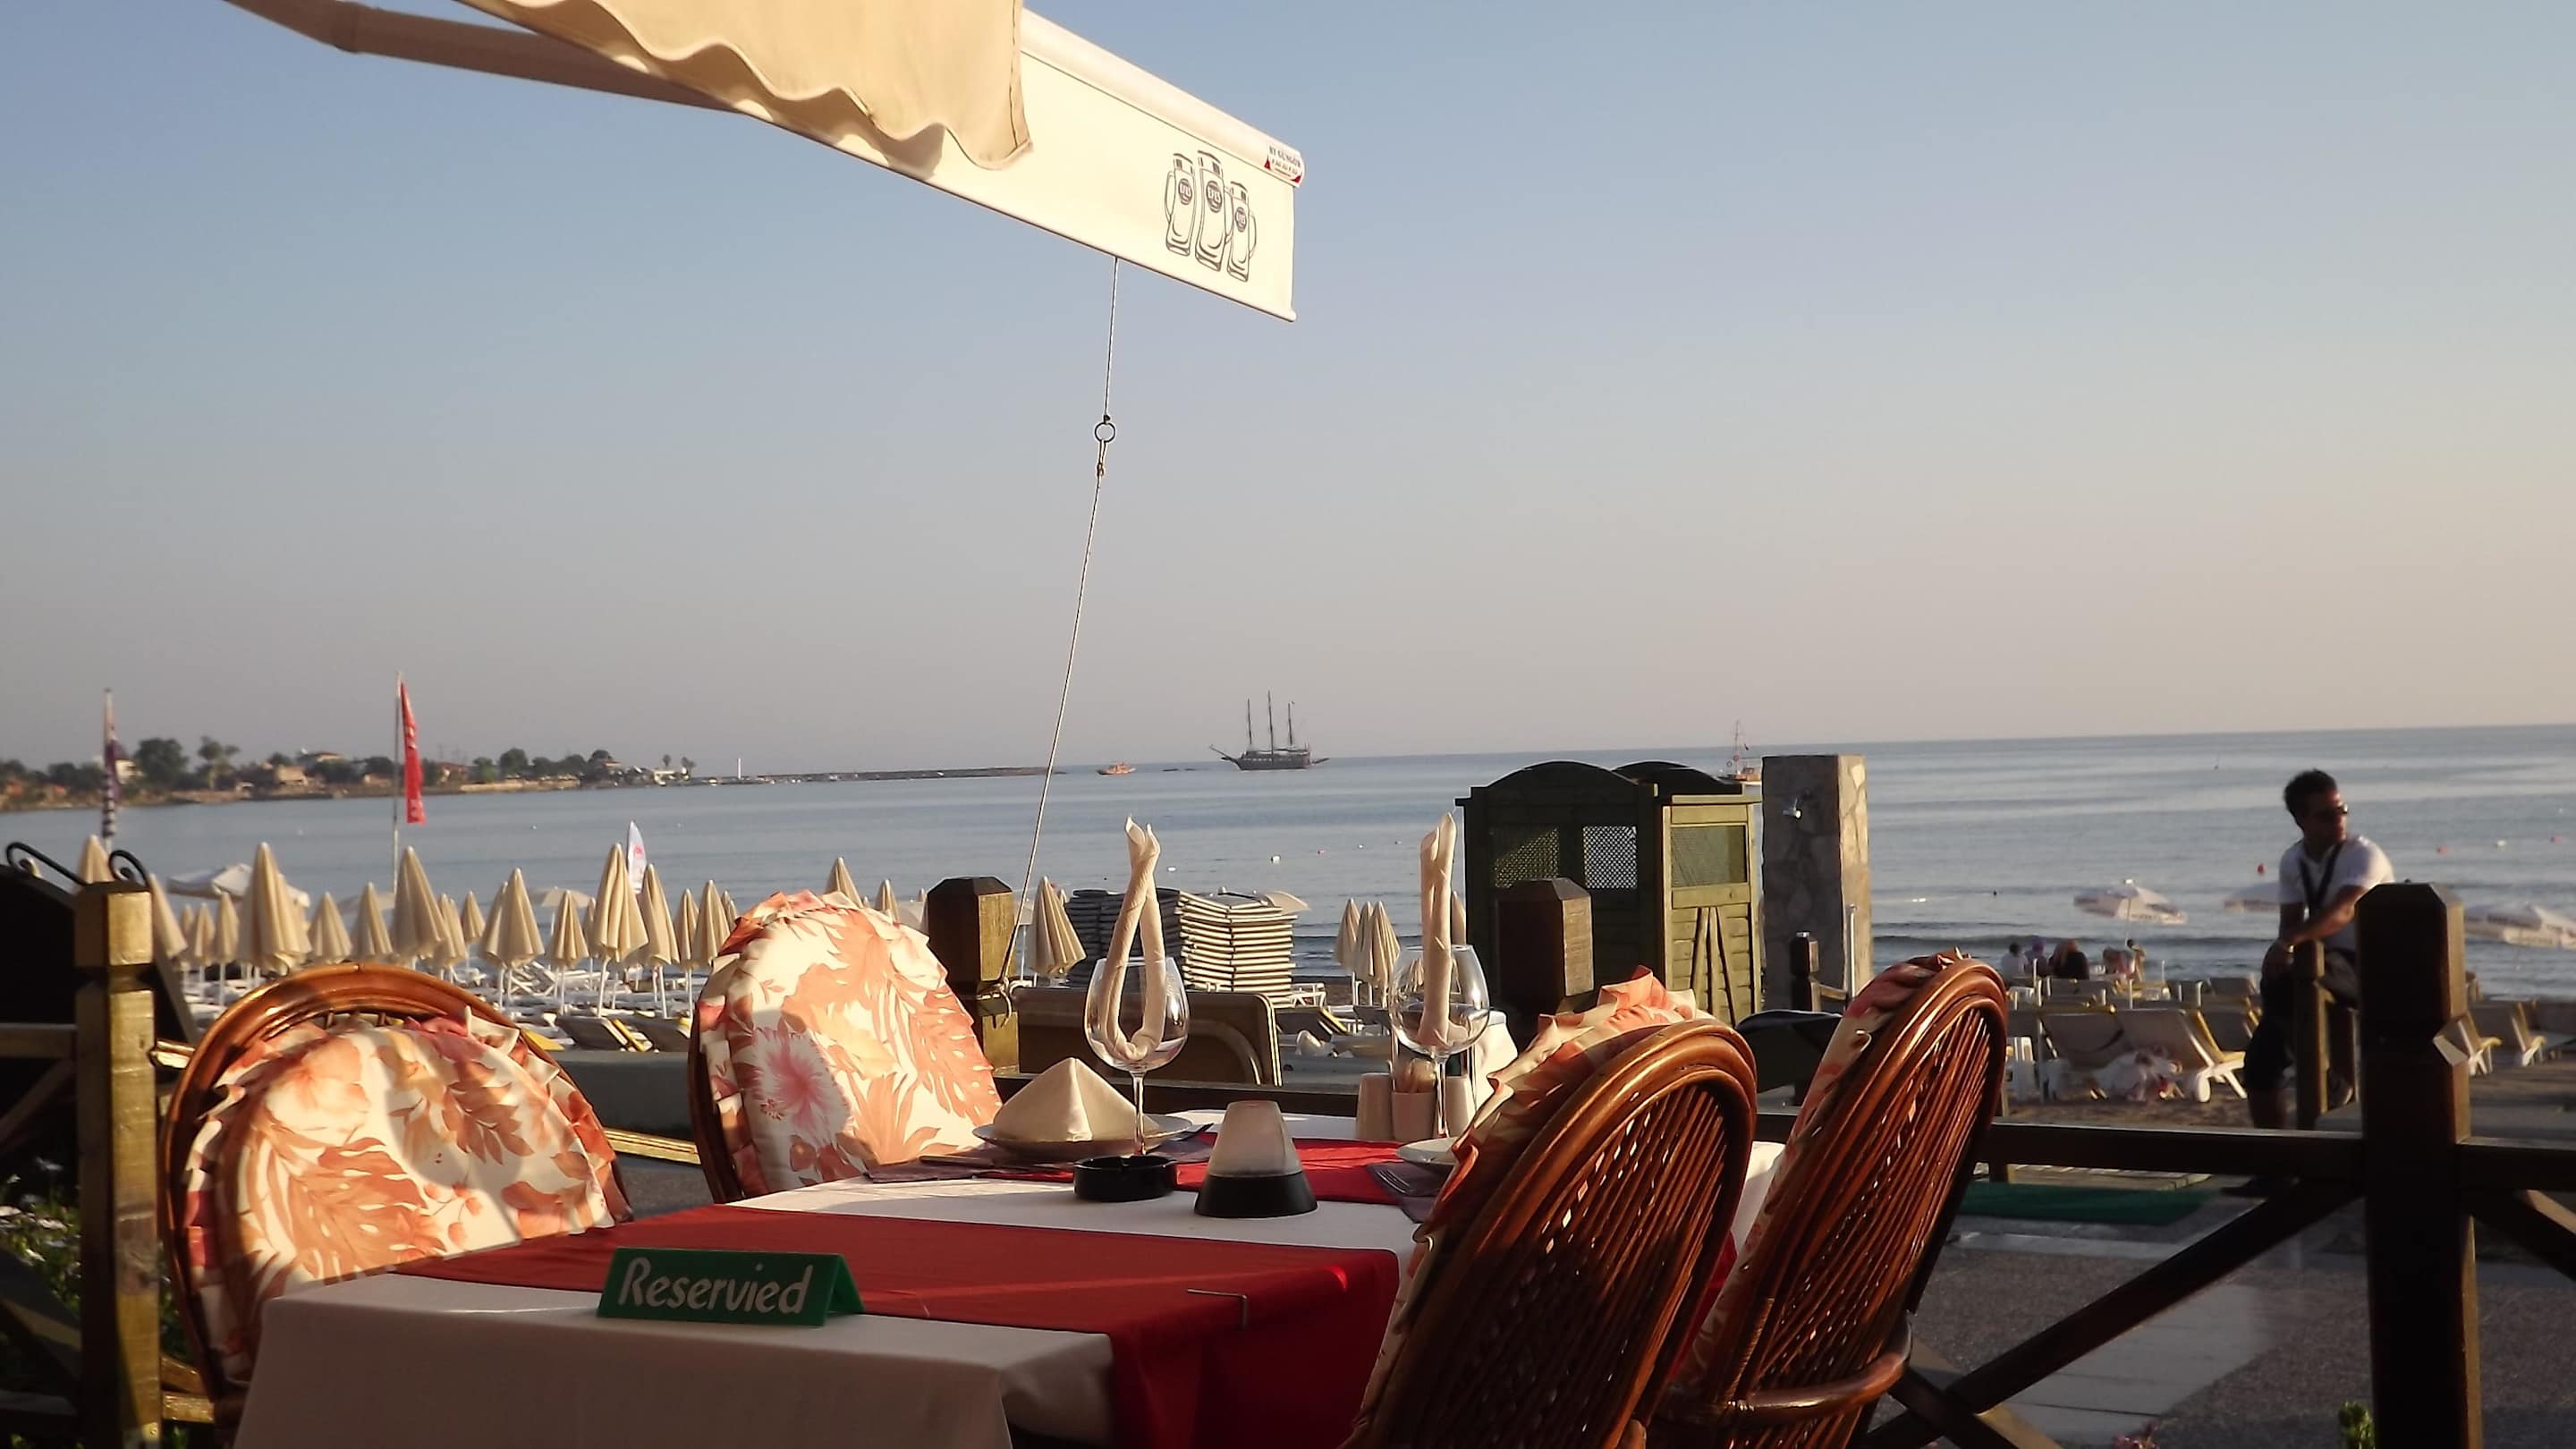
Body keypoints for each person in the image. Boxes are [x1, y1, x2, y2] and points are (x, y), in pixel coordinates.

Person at [2232, 769, 2395, 1191]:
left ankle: (2323, 1074)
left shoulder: (2363, 854)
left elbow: (2344, 910)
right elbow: (2289, 922)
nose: (2339, 819)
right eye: (2326, 814)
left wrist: (2287, 944)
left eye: (2342, 810)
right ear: (2301, 820)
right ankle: (2275, 1168)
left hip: (2369, 968)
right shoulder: (2294, 861)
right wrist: (2282, 951)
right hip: (2315, 967)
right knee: (2259, 1065)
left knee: (2302, 967)